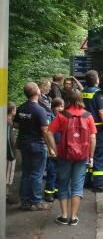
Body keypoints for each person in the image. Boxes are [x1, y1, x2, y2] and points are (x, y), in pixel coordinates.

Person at [47, 89, 96, 226]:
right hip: (82, 156)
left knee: (63, 184)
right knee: (77, 186)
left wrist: (54, 149)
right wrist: (91, 156)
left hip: (64, 154)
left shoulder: (62, 115)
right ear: (81, 99)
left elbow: (49, 132)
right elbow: (92, 138)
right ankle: (74, 217)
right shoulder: (88, 116)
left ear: (66, 99)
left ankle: (63, 216)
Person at [15, 82, 54, 211]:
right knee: (37, 174)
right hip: (37, 145)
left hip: (24, 144)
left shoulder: (21, 108)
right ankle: (37, 201)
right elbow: (44, 130)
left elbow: (16, 124)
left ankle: (25, 201)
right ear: (37, 92)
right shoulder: (39, 110)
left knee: (26, 173)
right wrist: (50, 148)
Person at [82, 70, 103, 192]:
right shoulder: (98, 93)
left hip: (84, 128)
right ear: (97, 80)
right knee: (99, 157)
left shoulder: (83, 92)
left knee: (88, 155)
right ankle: (98, 185)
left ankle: (86, 181)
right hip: (98, 129)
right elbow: (102, 111)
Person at [44, 97, 64, 202]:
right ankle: (49, 193)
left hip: (60, 148)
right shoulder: (49, 117)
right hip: (53, 148)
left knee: (59, 172)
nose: (61, 108)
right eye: (58, 106)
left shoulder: (62, 117)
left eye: (62, 106)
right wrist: (50, 148)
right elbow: (47, 134)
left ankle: (56, 191)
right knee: (52, 171)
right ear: (53, 107)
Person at [6, 101, 18, 204]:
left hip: (6, 153)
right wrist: (11, 154)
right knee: (9, 175)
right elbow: (8, 139)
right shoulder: (8, 122)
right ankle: (6, 195)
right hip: (9, 154)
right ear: (13, 111)